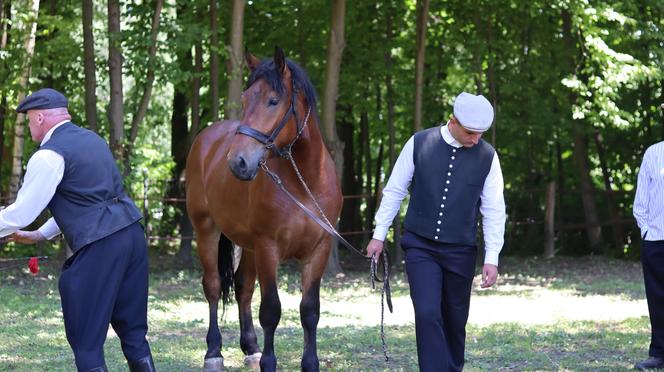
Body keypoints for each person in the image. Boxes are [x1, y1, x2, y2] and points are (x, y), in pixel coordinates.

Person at [0, 88, 156, 372]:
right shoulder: (93, 140)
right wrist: (39, 235)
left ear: (39, 117)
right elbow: (87, 202)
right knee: (134, 335)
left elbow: (22, 212)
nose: (29, 124)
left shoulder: (48, 155)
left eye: (28, 118)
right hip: (132, 236)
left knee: (86, 342)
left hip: (102, 246)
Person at [366, 92, 506, 371]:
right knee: (428, 313)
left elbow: (494, 209)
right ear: (453, 120)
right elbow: (394, 190)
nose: (476, 139)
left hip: (461, 250)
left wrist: (492, 256)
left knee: (455, 319)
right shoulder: (420, 142)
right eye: (470, 132)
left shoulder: (488, 157)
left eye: (480, 134)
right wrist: (379, 234)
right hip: (421, 247)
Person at [633, 140, 664, 370]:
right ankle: (659, 353)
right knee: (657, 297)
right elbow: (641, 200)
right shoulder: (654, 153)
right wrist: (646, 230)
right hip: (656, 238)